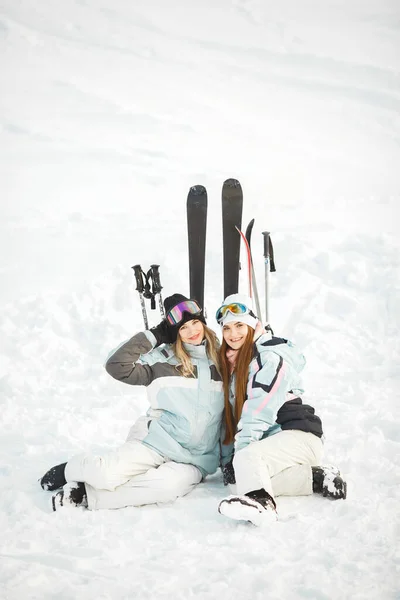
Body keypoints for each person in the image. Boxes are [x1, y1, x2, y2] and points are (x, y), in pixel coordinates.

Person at [40, 294, 224, 511]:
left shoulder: (223, 361)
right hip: (157, 442)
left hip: (194, 460)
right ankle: (71, 469)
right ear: (174, 333)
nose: (192, 331)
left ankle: (85, 495)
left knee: (164, 488)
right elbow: (116, 365)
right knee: (106, 474)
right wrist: (154, 336)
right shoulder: (161, 360)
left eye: (195, 323)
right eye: (184, 328)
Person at [216, 293, 347, 527]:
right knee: (241, 480)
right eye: (226, 328)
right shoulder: (236, 363)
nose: (232, 334)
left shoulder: (269, 356)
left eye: (239, 325)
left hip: (299, 434)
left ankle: (262, 504)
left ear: (252, 325)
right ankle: (316, 478)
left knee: (247, 463)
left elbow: (259, 409)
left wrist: (241, 455)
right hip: (277, 440)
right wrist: (231, 461)